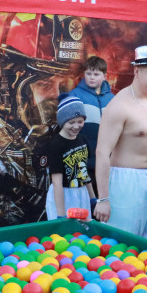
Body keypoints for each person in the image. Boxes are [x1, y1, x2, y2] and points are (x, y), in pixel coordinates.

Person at [93, 44, 147, 244]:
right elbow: (102, 153)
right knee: (123, 243)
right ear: (136, 71)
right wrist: (103, 198)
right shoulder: (119, 106)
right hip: (126, 180)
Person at [60, 55, 112, 195]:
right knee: (84, 197)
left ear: (105, 76)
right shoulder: (75, 95)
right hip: (82, 158)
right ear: (84, 74)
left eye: (96, 74)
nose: (92, 77)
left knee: (104, 196)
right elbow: (65, 127)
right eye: (88, 73)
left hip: (106, 160)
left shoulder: (112, 99)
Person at [46, 96, 93, 220]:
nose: (76, 126)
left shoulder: (82, 139)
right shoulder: (56, 145)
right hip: (64, 194)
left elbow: (84, 172)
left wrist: (92, 197)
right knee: (64, 236)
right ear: (62, 122)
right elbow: (57, 182)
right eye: (71, 122)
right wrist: (60, 214)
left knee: (82, 233)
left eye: (80, 121)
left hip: (81, 193)